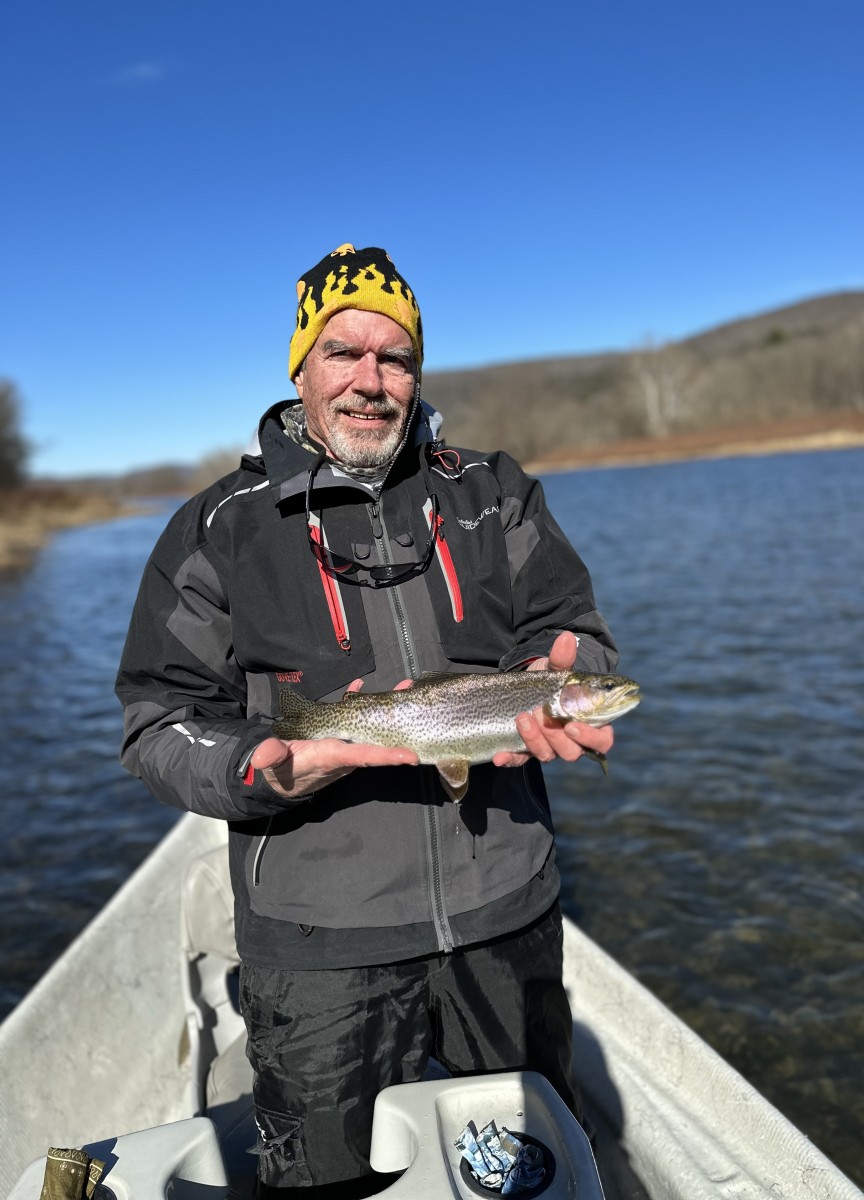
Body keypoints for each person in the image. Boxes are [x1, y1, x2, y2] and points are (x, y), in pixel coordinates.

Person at [116, 244, 619, 1198]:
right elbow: (158, 719)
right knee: (327, 1185)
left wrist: (574, 671)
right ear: (301, 365)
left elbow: (574, 629)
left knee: (525, 1179)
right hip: (317, 946)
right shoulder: (219, 528)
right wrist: (261, 765)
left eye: (396, 358)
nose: (370, 381)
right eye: (345, 352)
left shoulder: (494, 491)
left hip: (505, 912)